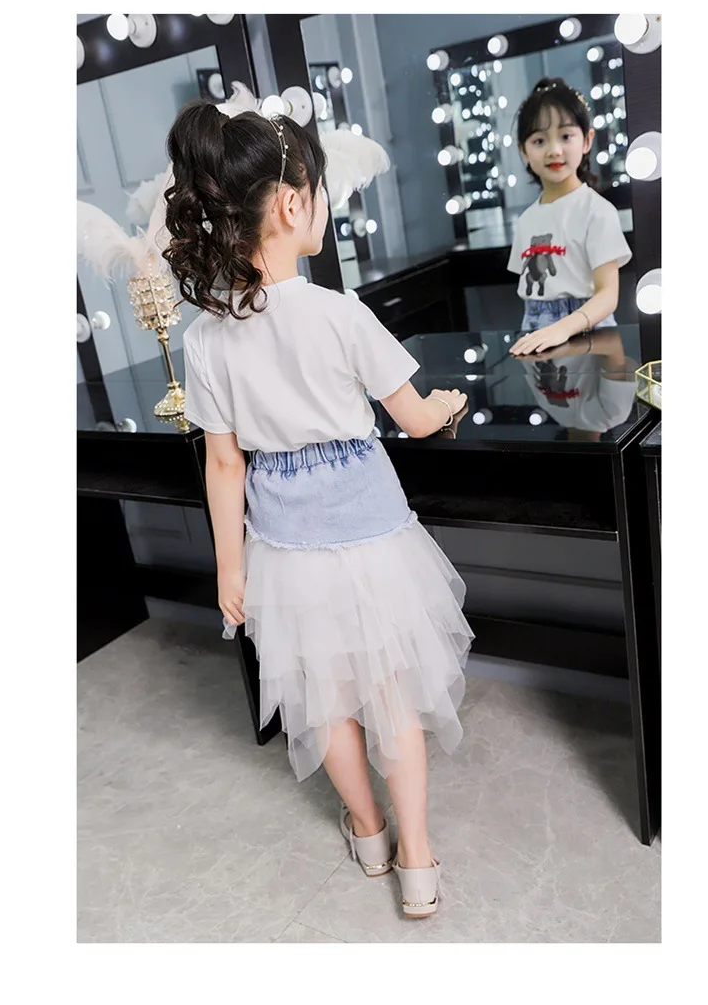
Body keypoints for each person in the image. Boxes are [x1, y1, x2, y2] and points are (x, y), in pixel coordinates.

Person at [162, 98, 474, 919]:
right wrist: (445, 404)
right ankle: (418, 863)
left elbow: (223, 463)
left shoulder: (205, 337)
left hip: (284, 542)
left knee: (325, 698)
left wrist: (230, 569)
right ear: (294, 203)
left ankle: (368, 836)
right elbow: (412, 418)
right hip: (369, 531)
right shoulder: (340, 312)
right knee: (392, 696)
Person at [506, 77, 632, 357]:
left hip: (589, 334)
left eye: (565, 136)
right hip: (535, 334)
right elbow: (533, 293)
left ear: (587, 140)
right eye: (539, 140)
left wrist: (561, 328)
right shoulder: (526, 220)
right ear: (523, 151)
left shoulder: (597, 211)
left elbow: (608, 295)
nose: (554, 150)